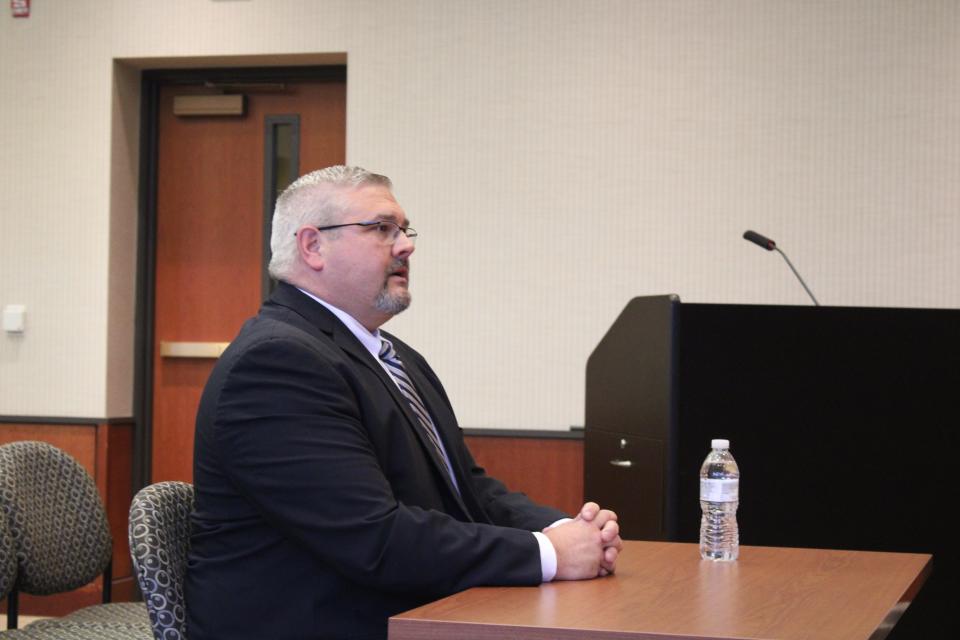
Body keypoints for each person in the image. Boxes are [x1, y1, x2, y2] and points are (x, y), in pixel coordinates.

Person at [186, 166, 622, 639]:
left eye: (404, 230)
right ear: (313, 246)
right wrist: (549, 554)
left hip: (408, 613)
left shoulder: (392, 356)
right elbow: (375, 538)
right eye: (381, 229)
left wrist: (570, 530)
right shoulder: (276, 364)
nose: (406, 245)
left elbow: (467, 490)